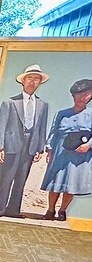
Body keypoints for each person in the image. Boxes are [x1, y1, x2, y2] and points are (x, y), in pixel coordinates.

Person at [0, 64, 49, 218]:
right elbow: (1, 126)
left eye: (36, 79)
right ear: (23, 81)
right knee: (5, 179)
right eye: (29, 78)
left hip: (30, 146)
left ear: (40, 83)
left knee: (21, 180)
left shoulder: (43, 105)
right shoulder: (10, 102)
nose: (32, 82)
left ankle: (13, 210)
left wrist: (40, 149)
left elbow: (42, 128)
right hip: (11, 145)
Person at [40, 78, 92, 221]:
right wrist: (49, 150)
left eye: (87, 94)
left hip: (80, 154)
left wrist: (88, 145)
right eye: (79, 93)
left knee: (72, 184)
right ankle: (50, 210)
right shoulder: (61, 113)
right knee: (55, 183)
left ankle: (62, 211)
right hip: (60, 151)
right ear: (73, 95)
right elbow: (53, 132)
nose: (82, 97)